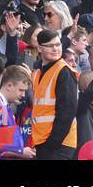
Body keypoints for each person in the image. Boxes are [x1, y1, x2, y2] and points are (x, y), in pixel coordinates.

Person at [31, 27, 78, 160]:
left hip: (58, 143)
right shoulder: (37, 72)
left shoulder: (64, 71)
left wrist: (52, 143)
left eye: (58, 45)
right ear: (40, 48)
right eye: (50, 46)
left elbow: (67, 110)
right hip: (42, 140)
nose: (56, 49)